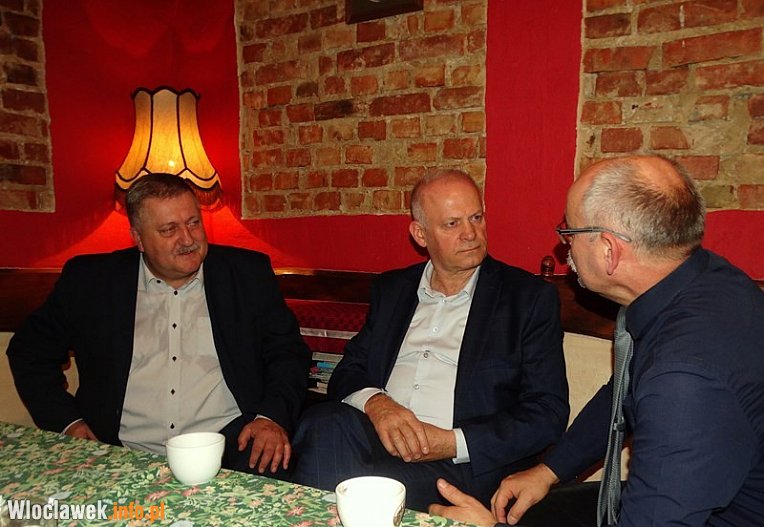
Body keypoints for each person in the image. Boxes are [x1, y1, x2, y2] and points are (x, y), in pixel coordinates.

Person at [429, 155, 764, 526]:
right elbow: (622, 393)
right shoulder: (704, 279)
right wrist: (548, 470)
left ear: (608, 250)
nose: (564, 246)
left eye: (569, 232)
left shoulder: (682, 379)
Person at [291, 169, 569, 511]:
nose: (471, 233)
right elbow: (349, 370)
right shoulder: (393, 290)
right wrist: (379, 405)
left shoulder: (527, 298)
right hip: (378, 440)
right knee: (323, 422)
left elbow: (547, 412)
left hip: (460, 465)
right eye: (452, 224)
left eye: (476, 217)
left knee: (351, 479)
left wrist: (451, 442)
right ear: (420, 234)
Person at [7, 173, 311, 477]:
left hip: (231, 449)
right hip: (116, 453)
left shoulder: (246, 274)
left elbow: (288, 352)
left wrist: (271, 418)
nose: (188, 240)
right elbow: (29, 351)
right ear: (138, 238)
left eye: (193, 223)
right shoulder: (91, 282)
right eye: (169, 229)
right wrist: (68, 423)